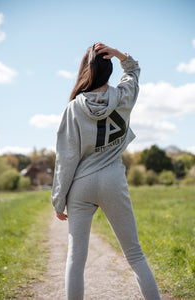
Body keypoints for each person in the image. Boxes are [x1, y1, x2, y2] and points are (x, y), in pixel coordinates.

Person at [51, 42, 161, 300]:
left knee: (75, 259)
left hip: (81, 184)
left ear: (85, 70)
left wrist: (58, 200)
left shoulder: (74, 108)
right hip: (113, 179)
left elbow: (66, 159)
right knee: (134, 255)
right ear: (108, 67)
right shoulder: (124, 95)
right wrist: (120, 54)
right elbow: (133, 71)